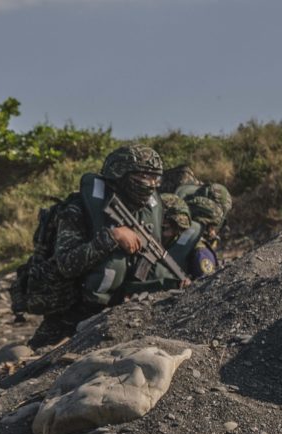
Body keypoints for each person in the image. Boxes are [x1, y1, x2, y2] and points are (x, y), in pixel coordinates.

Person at [22, 144, 184, 349]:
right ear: (120, 174)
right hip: (72, 310)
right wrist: (112, 237)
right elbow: (66, 264)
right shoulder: (79, 208)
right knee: (34, 361)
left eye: (156, 178)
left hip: (120, 312)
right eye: (144, 177)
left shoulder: (147, 211)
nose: (151, 184)